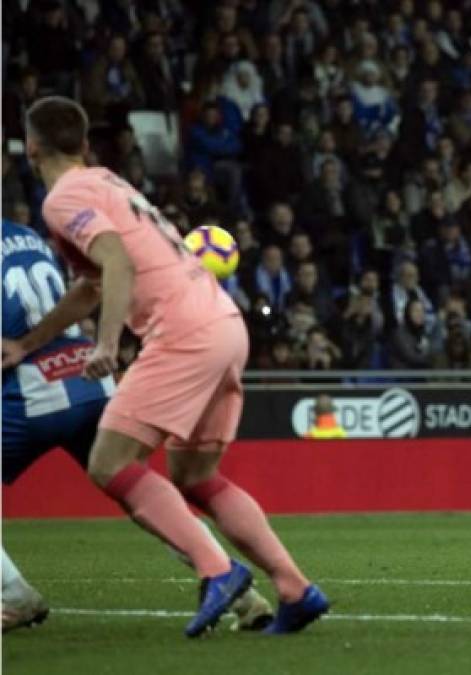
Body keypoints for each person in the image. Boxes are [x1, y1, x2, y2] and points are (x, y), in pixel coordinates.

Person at [5, 97, 328, 636]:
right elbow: (91, 285)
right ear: (85, 145)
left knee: (108, 462)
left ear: (31, 146)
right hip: (223, 323)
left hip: (181, 333)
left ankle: (218, 571)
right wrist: (29, 341)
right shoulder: (108, 182)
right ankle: (295, 589)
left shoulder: (63, 198)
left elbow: (116, 261)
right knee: (194, 475)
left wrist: (107, 343)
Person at [0, 219, 272, 633]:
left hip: (28, 391)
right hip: (86, 374)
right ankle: (241, 591)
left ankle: (14, 595)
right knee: (139, 490)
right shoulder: (25, 234)